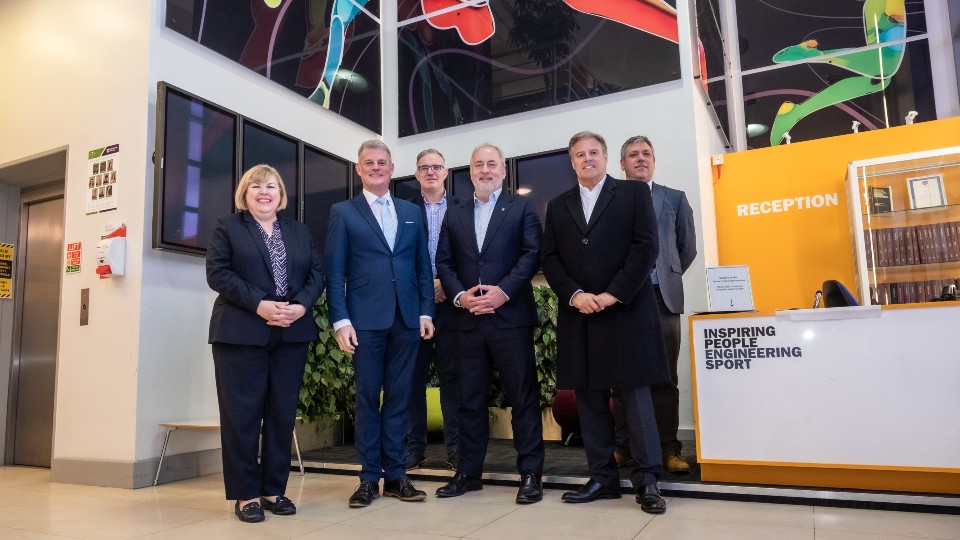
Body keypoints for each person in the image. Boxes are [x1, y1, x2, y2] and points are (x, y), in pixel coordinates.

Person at [541, 131, 669, 514]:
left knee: (634, 397)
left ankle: (647, 481)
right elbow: (550, 258)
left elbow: (646, 247)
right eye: (579, 154)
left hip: (625, 309)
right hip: (579, 313)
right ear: (572, 161)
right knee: (589, 398)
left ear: (606, 157)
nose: (587, 159)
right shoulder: (558, 204)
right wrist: (576, 294)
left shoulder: (633, 194)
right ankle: (602, 478)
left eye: (593, 152)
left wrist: (613, 293)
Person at [206, 164, 325, 523]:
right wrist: (260, 304)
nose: (264, 191)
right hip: (241, 331)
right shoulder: (228, 227)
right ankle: (246, 495)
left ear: (280, 194)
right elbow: (218, 272)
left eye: (271, 186)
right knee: (242, 416)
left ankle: (274, 490)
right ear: (245, 192)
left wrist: (301, 306)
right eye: (256, 186)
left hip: (291, 332)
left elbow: (317, 273)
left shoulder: (299, 231)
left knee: (280, 414)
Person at [326, 140, 435, 508]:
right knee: (368, 398)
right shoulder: (343, 212)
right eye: (369, 163)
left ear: (392, 169)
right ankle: (368, 478)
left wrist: (425, 312)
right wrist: (341, 320)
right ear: (359, 169)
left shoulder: (409, 211)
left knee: (401, 399)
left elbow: (422, 266)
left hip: (406, 319)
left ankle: (396, 475)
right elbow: (335, 271)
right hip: (365, 320)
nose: (376, 167)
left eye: (382, 162)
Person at [434, 143, 545, 504]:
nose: (485, 169)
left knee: (522, 398)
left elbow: (532, 255)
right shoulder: (455, 213)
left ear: (502, 170)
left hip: (510, 318)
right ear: (470, 172)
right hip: (467, 321)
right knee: (469, 401)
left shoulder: (522, 207)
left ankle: (530, 473)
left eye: (491, 164)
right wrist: (460, 297)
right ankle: (468, 473)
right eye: (478, 164)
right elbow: (444, 263)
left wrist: (503, 293)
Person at [614, 135, 697, 475]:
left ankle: (669, 449)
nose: (640, 159)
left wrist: (666, 273)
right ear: (622, 164)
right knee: (623, 377)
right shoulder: (611, 200)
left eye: (646, 153)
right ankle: (624, 448)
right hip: (623, 299)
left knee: (664, 378)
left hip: (663, 298)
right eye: (632, 155)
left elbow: (686, 248)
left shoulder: (674, 199)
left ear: (654, 160)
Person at [404, 149, 461, 470]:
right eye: (424, 167)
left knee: (453, 378)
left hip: (452, 306)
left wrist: (446, 285)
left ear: (445, 172)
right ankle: (415, 448)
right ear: (416, 174)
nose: (430, 172)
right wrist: (426, 286)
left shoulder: (463, 208)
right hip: (414, 306)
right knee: (413, 378)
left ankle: (456, 449)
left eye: (436, 167)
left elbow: (470, 255)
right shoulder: (403, 210)